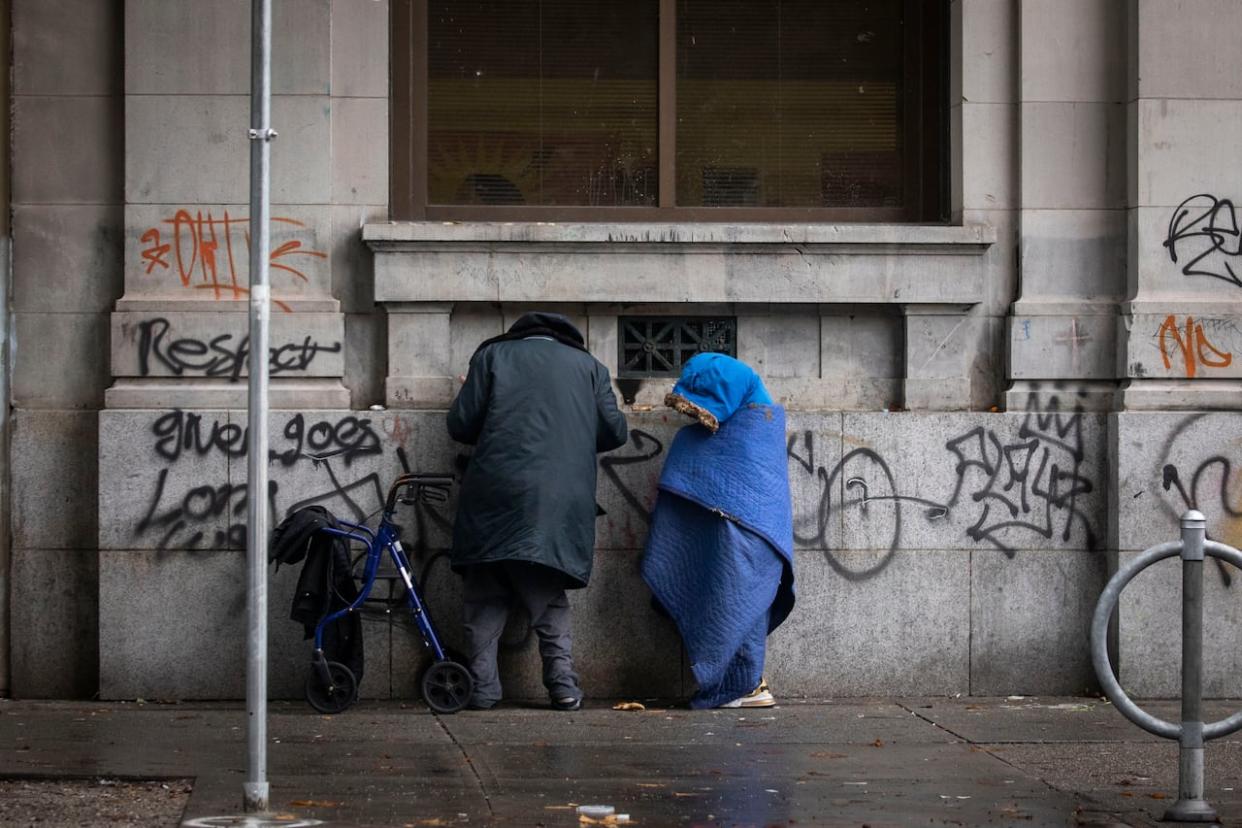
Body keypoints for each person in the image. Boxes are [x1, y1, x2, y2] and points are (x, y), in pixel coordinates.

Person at [447, 311, 629, 711]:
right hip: (559, 500)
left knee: (484, 595)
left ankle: (481, 689)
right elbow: (616, 431)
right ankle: (562, 686)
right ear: (566, 339)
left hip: (494, 493)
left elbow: (461, 424)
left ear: (519, 334)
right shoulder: (590, 367)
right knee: (547, 597)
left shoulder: (492, 357)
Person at [641, 352, 795, 709]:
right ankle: (748, 683)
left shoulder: (755, 426)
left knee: (738, 600)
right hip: (752, 531)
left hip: (750, 531)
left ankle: (743, 684)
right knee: (739, 602)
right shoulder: (754, 419)